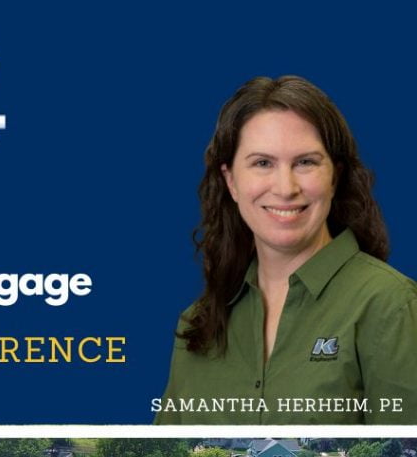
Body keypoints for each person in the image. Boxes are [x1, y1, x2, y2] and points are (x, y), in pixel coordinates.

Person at [157, 75, 417, 424]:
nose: (285, 187)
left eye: (305, 162)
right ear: (231, 181)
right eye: (262, 163)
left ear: (334, 176)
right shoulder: (197, 325)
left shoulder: (390, 305)